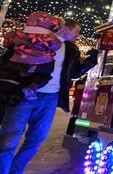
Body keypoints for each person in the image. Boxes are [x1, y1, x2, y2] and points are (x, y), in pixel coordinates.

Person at [0, 17, 97, 174]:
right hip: (23, 94)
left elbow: (72, 73)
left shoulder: (71, 49)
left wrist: (90, 62)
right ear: (65, 29)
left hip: (50, 97)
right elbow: (8, 62)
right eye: (76, 31)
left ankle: (15, 171)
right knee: (9, 139)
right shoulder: (31, 40)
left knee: (37, 139)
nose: (78, 35)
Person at [0, 12, 63, 104]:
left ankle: (13, 96)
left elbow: (7, 42)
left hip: (18, 59)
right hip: (41, 61)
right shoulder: (50, 38)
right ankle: (32, 86)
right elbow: (56, 46)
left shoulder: (18, 33)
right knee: (44, 76)